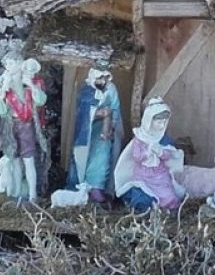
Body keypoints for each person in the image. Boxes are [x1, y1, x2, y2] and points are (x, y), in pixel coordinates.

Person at [0, 57, 50, 202]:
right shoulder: (5, 84)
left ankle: (32, 195)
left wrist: (31, 85)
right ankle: (16, 193)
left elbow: (41, 100)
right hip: (11, 127)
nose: (8, 66)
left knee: (29, 161)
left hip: (26, 126)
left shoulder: (30, 83)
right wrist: (3, 90)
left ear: (19, 64)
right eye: (6, 64)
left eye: (11, 62)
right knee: (15, 160)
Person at [114, 98, 185, 211]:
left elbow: (169, 156)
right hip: (144, 175)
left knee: (168, 196)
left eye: (164, 122)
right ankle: (149, 208)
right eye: (159, 122)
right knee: (144, 195)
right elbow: (137, 156)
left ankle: (167, 209)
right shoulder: (140, 139)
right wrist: (148, 153)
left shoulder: (163, 139)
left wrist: (161, 152)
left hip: (160, 175)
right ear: (149, 121)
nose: (162, 125)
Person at [66, 64, 123, 204]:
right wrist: (98, 113)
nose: (102, 81)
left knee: (103, 154)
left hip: (104, 131)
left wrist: (111, 124)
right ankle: (80, 186)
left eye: (105, 78)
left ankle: (97, 187)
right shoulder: (87, 91)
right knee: (82, 158)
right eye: (99, 78)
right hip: (87, 131)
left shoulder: (111, 89)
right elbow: (83, 111)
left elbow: (115, 108)